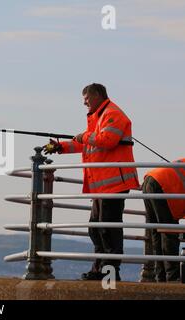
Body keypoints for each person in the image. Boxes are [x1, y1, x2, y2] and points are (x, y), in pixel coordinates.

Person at [44, 83, 140, 281]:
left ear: (97, 95)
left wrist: (85, 136)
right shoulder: (99, 117)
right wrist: (60, 147)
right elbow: (87, 143)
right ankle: (99, 268)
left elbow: (107, 139)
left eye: (86, 98)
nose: (84, 103)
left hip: (114, 184)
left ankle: (110, 274)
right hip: (102, 185)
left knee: (108, 227)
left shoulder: (113, 113)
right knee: (96, 227)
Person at [142, 158, 185, 282]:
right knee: (169, 231)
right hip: (163, 186)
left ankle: (160, 276)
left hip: (150, 180)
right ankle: (172, 277)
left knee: (156, 231)